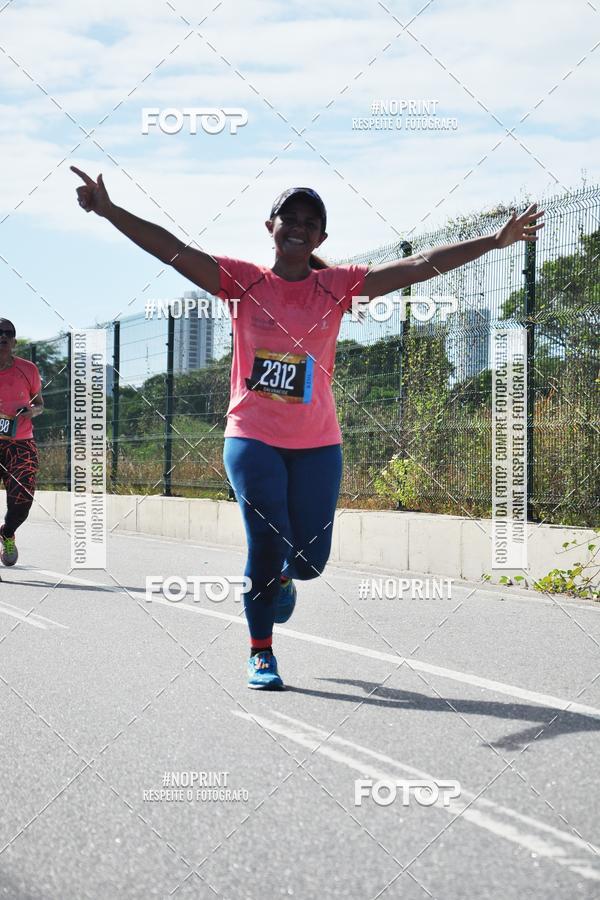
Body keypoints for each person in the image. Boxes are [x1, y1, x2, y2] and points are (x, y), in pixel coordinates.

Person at [71, 167, 544, 689]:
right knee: (267, 540)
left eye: (309, 222)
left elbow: (420, 264)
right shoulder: (241, 282)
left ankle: (283, 581)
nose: (297, 227)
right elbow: (173, 250)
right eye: (288, 218)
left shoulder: (336, 287)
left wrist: (496, 241)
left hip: (318, 444)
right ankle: (261, 652)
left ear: (321, 238)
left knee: (310, 563)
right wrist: (110, 210)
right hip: (251, 437)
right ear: (269, 225)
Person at [0, 319, 44, 566]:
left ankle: (7, 533)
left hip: (21, 444)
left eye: (8, 334)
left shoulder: (28, 370)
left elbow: (40, 404)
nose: (3, 337)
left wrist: (31, 411)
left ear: (14, 341)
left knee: (22, 502)